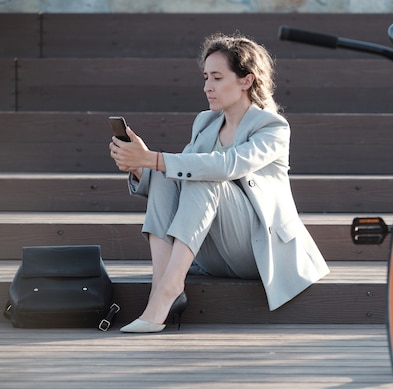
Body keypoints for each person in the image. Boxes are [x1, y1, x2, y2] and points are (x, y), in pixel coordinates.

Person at [109, 33, 329, 333]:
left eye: (216, 77)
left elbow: (228, 166)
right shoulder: (206, 122)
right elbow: (175, 177)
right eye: (205, 77)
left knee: (203, 175)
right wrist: (139, 166)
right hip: (213, 253)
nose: (206, 87)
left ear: (246, 81)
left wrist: (154, 159)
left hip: (258, 251)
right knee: (166, 173)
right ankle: (161, 285)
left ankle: (168, 290)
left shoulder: (272, 127)